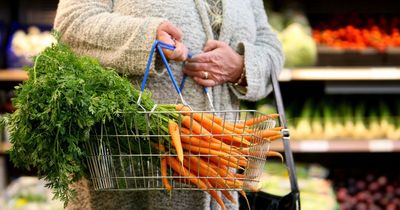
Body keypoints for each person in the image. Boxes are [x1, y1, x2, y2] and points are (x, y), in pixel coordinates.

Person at [54, 0, 283, 209]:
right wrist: (146, 38)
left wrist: (242, 66)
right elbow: (72, 22)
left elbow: (268, 42)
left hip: (220, 184)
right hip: (123, 179)